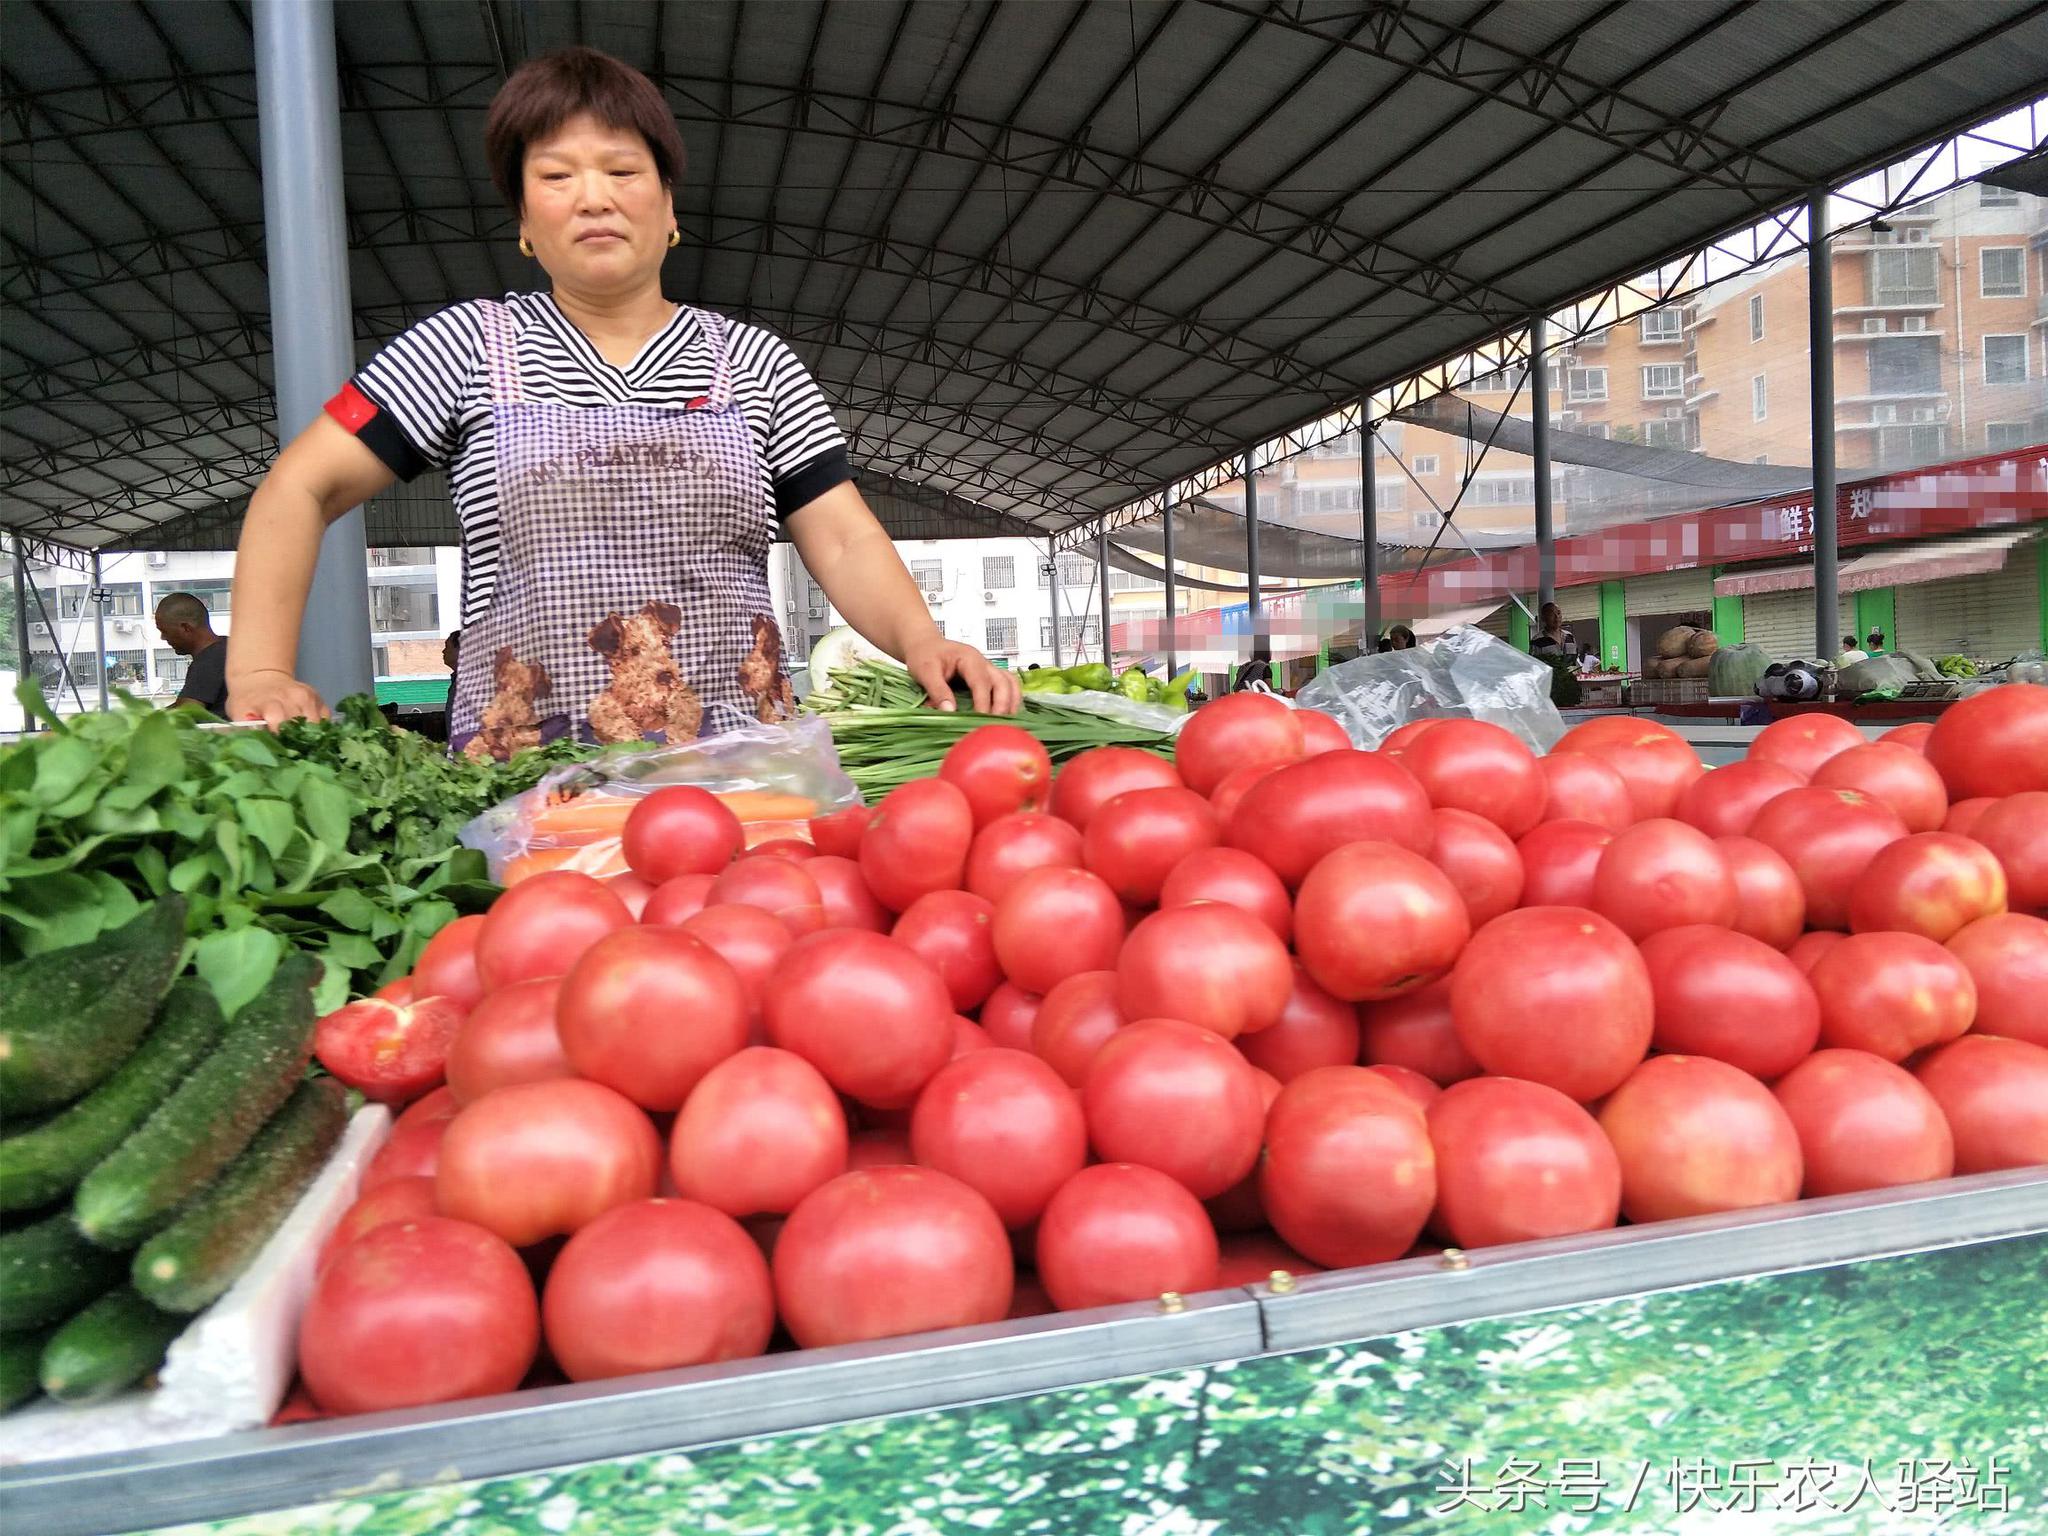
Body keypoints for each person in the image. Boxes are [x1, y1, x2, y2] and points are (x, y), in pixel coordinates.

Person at [223, 46, 1018, 755]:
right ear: (524, 219)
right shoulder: (464, 347)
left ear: (669, 207)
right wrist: (258, 671)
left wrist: (921, 639)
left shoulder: (756, 362)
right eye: (556, 176)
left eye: (622, 171)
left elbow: (842, 538)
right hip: (526, 785)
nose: (593, 198)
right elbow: (300, 486)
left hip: (743, 776)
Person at [153, 592, 230, 717]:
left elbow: (187, 710)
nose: (163, 637)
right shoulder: (228, 647)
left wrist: (144, 720)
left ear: (185, 628)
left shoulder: (208, 661)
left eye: (164, 631)